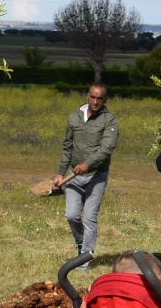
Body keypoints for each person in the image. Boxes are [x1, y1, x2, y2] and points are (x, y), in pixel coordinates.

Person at [51, 84, 120, 258]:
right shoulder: (74, 117)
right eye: (93, 97)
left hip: (97, 176)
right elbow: (67, 147)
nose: (95, 101)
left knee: (90, 218)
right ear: (88, 96)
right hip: (73, 176)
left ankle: (85, 258)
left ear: (105, 100)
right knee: (72, 215)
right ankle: (82, 245)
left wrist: (88, 164)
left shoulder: (110, 120)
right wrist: (61, 172)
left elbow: (106, 148)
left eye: (100, 98)